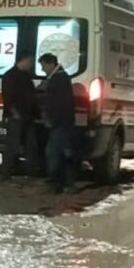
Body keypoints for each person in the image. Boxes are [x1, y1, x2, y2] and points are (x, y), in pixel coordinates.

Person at [40, 53, 76, 193]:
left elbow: (59, 103)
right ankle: (66, 183)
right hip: (63, 122)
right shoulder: (61, 77)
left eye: (43, 66)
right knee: (63, 152)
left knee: (54, 153)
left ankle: (56, 182)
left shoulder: (58, 79)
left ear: (50, 64)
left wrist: (51, 120)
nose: (43, 69)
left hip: (59, 123)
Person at [0, 51, 38, 180]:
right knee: (12, 146)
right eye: (30, 61)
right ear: (23, 60)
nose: (32, 64)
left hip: (28, 116)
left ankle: (31, 174)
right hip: (16, 117)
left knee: (31, 147)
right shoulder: (10, 75)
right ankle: (5, 175)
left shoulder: (26, 76)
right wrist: (14, 112)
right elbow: (7, 97)